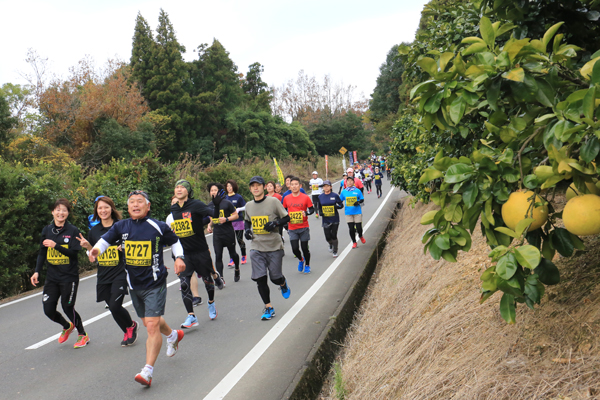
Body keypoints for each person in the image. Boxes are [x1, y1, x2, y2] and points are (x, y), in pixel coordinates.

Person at [89, 190, 185, 387]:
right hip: (133, 284)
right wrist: (96, 250)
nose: (135, 204)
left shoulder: (158, 226)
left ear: (147, 206)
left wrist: (180, 258)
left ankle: (147, 372)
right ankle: (173, 335)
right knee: (153, 321)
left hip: (155, 282)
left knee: (151, 324)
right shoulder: (121, 226)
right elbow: (105, 240)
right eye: (131, 202)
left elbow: (175, 242)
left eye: (139, 201)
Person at [77, 196, 137, 347]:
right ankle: (128, 329)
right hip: (103, 274)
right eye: (100, 208)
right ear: (96, 211)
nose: (103, 210)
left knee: (115, 305)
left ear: (112, 209)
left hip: (120, 271)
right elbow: (94, 255)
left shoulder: (121, 226)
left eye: (106, 207)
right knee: (111, 307)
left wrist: (124, 248)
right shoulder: (94, 231)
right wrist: (88, 248)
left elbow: (135, 244)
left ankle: (130, 326)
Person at [30, 198, 89, 349]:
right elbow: (42, 253)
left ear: (68, 213)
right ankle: (66, 326)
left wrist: (56, 246)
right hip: (52, 277)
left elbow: (74, 254)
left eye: (64, 210)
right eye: (58, 210)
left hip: (69, 276)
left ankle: (82, 334)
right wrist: (37, 271)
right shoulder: (47, 230)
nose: (61, 213)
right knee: (48, 309)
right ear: (53, 212)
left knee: (67, 306)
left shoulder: (73, 231)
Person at [169, 180, 223, 329]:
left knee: (207, 280)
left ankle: (211, 303)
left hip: (200, 251)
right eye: (177, 187)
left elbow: (214, 215)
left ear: (188, 190)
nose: (179, 189)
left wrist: (217, 204)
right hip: (184, 254)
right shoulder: (173, 208)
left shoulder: (196, 204)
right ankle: (191, 316)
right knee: (185, 283)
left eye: (182, 187)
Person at [244, 176, 291, 320]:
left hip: (274, 246)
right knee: (260, 279)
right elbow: (247, 221)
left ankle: (282, 283)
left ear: (264, 187)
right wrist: (246, 231)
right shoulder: (249, 205)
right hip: (256, 246)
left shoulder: (273, 201)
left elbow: (286, 218)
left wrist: (275, 224)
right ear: (250, 189)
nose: (255, 188)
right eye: (253, 186)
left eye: (258, 185)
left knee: (275, 277)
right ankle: (268, 307)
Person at [167, 195, 202, 307]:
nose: (174, 204)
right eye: (173, 203)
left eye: (177, 202)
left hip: (190, 247)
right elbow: (167, 233)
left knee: (191, 273)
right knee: (184, 274)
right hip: (177, 249)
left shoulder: (186, 214)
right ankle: (190, 296)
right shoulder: (169, 218)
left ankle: (196, 296)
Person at [206, 183, 241, 283]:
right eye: (211, 190)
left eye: (215, 190)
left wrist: (226, 219)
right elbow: (211, 218)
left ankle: (237, 269)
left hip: (228, 232)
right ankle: (221, 277)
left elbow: (236, 216)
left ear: (220, 192)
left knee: (233, 253)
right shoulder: (210, 205)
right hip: (217, 234)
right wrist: (209, 225)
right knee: (218, 255)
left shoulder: (227, 203)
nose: (213, 192)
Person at [282, 176, 315, 274]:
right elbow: (283, 211)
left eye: (296, 184)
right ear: (290, 186)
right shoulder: (286, 198)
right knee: (295, 249)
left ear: (300, 185)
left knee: (305, 248)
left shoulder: (305, 197)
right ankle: (301, 259)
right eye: (292, 185)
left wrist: (307, 213)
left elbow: (312, 209)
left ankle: (307, 265)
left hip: (304, 227)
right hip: (292, 228)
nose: (294, 186)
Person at [318, 180, 344, 257]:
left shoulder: (335, 195)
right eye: (324, 186)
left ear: (330, 187)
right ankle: (330, 244)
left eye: (327, 186)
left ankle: (335, 251)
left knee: (334, 235)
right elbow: (319, 207)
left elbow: (341, 205)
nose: (326, 188)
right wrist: (320, 212)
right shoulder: (320, 196)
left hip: (334, 218)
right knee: (327, 236)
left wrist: (337, 206)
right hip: (325, 219)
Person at [339, 177, 366, 249]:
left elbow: (362, 199)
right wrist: (339, 205)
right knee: (351, 229)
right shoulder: (344, 192)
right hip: (348, 213)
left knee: (359, 228)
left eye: (351, 181)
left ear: (353, 182)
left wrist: (358, 202)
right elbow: (340, 200)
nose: (350, 182)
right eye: (348, 181)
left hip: (357, 212)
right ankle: (354, 242)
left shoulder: (357, 191)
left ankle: (360, 236)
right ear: (346, 183)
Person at [226, 180, 247, 266]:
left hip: (238, 221)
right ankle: (232, 258)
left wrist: (238, 209)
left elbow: (245, 206)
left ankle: (243, 255)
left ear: (234, 187)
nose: (229, 188)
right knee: (230, 241)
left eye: (230, 186)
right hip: (229, 222)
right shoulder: (225, 198)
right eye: (227, 186)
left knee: (239, 240)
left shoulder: (238, 197)